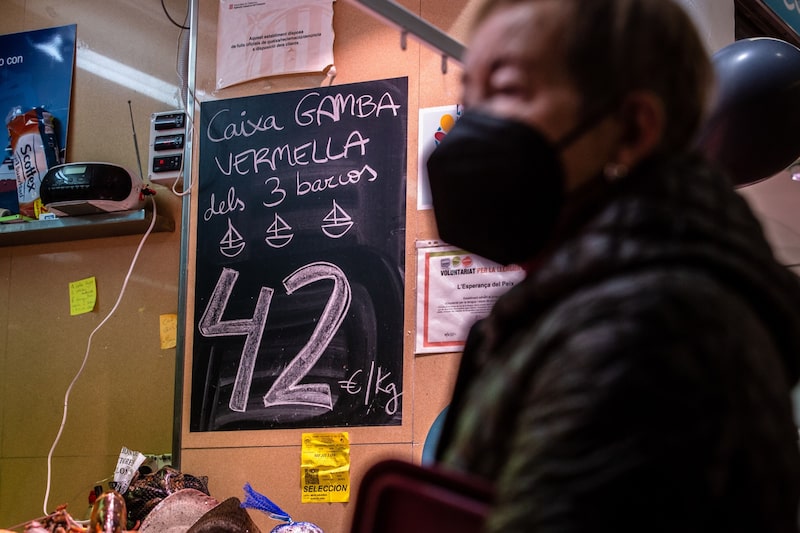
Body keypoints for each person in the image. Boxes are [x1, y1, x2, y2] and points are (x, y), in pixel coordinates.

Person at [425, 0, 800, 531]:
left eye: (506, 91)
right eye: (470, 98)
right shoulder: (588, 308)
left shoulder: (651, 333)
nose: (470, 129)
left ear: (632, 129)